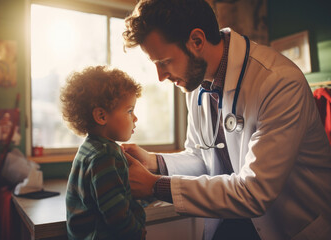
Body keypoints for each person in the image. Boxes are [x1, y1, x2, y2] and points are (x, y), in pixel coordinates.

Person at [121, 0, 331, 239]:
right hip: (234, 223)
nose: (160, 77)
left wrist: (155, 185)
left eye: (164, 62)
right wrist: (153, 162)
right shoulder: (196, 86)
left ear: (197, 41)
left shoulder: (279, 82)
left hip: (287, 227)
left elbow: (254, 192)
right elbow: (201, 158)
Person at [60, 66, 146, 240]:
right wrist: (137, 233)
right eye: (129, 111)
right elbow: (117, 216)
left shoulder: (89, 147)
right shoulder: (105, 156)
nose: (135, 118)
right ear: (101, 116)